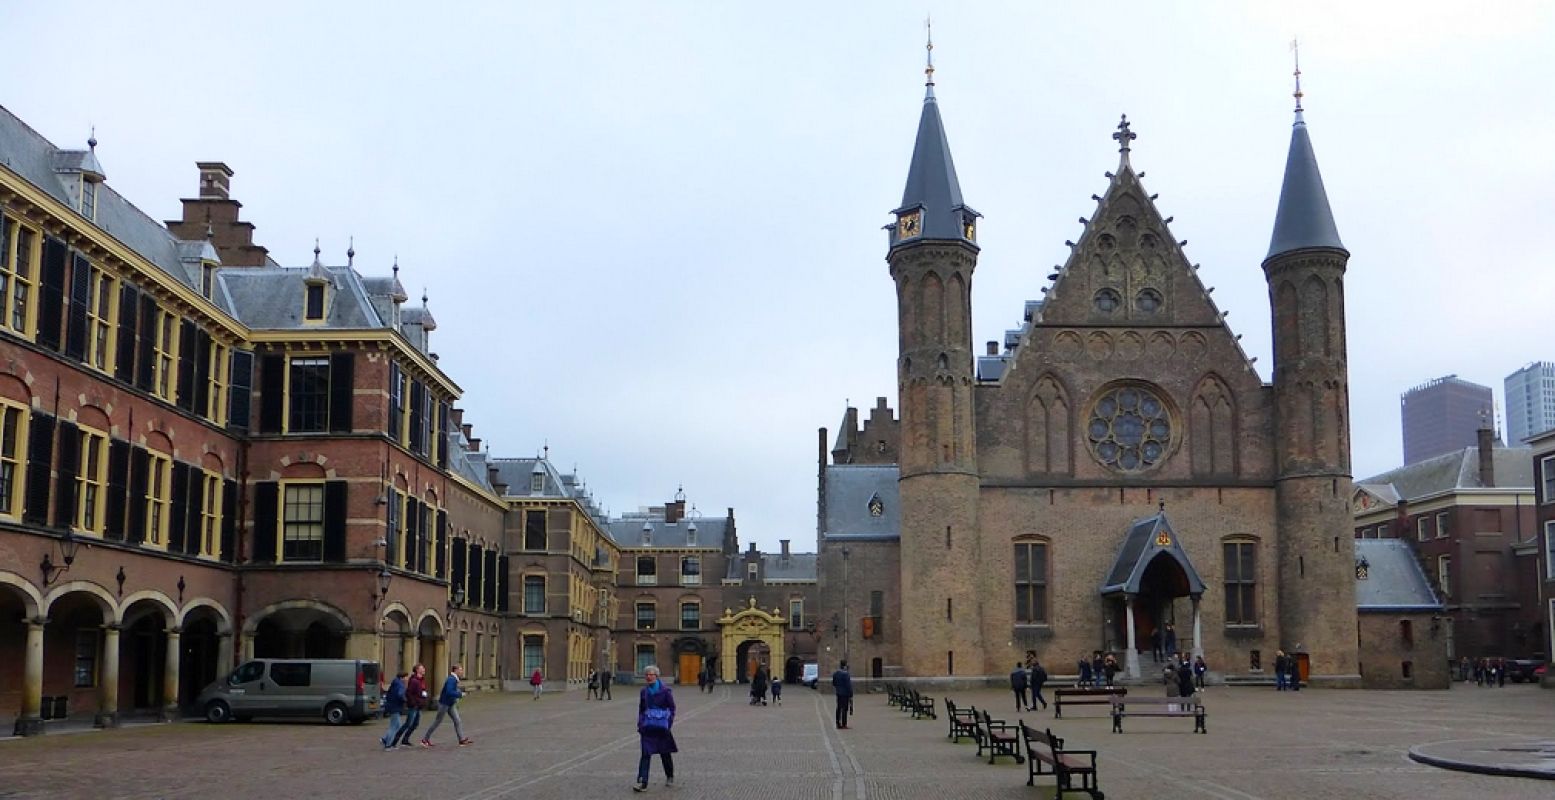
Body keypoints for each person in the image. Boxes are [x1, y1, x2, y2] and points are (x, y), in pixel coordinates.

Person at [633, 665, 677, 792]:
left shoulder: (666, 691)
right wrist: (640, 723)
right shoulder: (644, 692)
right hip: (647, 726)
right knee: (645, 754)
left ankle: (669, 775)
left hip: (662, 726)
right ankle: (642, 781)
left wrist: (668, 723)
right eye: (647, 675)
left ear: (656, 676)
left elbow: (672, 708)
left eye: (651, 674)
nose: (648, 677)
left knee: (665, 752)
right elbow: (641, 709)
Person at [421, 664, 472, 747]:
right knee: (437, 721)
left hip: (450, 704)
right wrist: (459, 694)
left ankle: (461, 739)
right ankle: (425, 739)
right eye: (460, 670)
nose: (462, 672)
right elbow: (449, 692)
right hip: (444, 704)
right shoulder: (451, 679)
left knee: (457, 720)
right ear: (455, 670)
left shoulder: (454, 679)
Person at [392, 663, 429, 747]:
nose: (424, 669)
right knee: (408, 723)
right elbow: (409, 693)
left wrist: (424, 697)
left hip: (419, 705)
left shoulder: (422, 680)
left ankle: (405, 740)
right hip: (414, 706)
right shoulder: (414, 680)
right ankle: (394, 741)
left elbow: (422, 691)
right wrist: (413, 702)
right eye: (422, 668)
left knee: (415, 724)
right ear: (417, 670)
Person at [380, 670, 407, 751]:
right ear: (402, 677)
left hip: (391, 706)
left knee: (396, 725)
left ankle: (385, 739)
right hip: (395, 707)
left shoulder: (395, 682)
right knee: (395, 726)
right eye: (406, 677)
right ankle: (388, 744)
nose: (407, 679)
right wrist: (405, 700)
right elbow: (400, 694)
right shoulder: (400, 685)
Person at [832, 660, 854, 729]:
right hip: (845, 694)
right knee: (844, 709)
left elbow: (834, 683)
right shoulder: (846, 674)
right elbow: (848, 685)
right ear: (845, 666)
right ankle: (844, 724)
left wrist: (838, 688)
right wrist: (851, 694)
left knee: (838, 708)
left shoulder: (836, 673)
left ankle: (838, 723)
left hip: (838, 693)